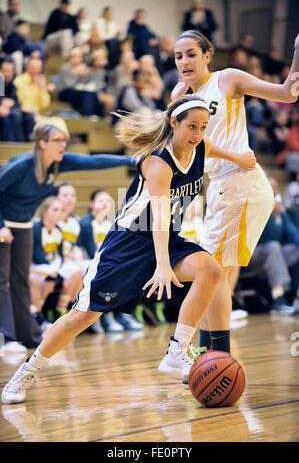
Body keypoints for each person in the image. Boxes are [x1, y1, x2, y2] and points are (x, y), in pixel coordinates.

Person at [1, 94, 257, 404]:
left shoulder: (199, 146)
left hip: (168, 239)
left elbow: (213, 149)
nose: (198, 134)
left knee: (211, 270)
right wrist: (162, 265)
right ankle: (28, 369)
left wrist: (240, 158)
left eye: (203, 127)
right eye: (192, 126)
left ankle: (177, 351)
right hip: (128, 243)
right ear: (174, 123)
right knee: (81, 317)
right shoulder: (158, 161)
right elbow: (160, 216)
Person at [170, 29, 298, 359]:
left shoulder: (227, 79)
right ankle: (216, 355)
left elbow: (288, 93)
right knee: (216, 274)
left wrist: (296, 50)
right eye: (178, 56)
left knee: (209, 272)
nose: (184, 61)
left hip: (240, 182)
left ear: (207, 55)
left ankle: (193, 353)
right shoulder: (182, 97)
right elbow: (185, 148)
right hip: (223, 186)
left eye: (191, 54)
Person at [0, 118, 135, 352]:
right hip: (3, 224)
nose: (63, 145)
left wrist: (134, 159)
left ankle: (27, 336)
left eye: (64, 140)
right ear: (42, 143)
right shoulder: (22, 165)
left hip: (22, 226)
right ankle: (7, 337)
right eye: (57, 140)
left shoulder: (59, 163)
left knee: (20, 282)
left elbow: (94, 161)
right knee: (3, 281)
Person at [78, 189, 143, 332]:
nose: (105, 204)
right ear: (91, 204)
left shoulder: (112, 223)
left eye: (108, 201)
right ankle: (105, 316)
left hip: (105, 261)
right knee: (110, 272)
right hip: (87, 261)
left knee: (132, 271)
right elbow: (90, 251)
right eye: (101, 200)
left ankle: (122, 313)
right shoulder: (86, 223)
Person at [245, 177, 299, 315]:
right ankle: (278, 300)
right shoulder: (254, 207)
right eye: (270, 186)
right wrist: (267, 211)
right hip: (250, 255)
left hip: (273, 255)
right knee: (273, 247)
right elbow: (262, 238)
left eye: (275, 187)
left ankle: (293, 295)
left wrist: (278, 212)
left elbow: (293, 234)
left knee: (294, 248)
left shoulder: (280, 212)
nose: (273, 189)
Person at [29, 196, 82, 333]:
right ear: (44, 211)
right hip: (35, 266)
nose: (59, 213)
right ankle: (39, 316)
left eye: (61, 210)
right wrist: (59, 275)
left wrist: (61, 272)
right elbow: (37, 257)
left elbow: (59, 256)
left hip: (50, 266)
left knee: (76, 271)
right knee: (51, 278)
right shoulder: (36, 227)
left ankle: (60, 311)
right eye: (55, 210)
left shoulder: (58, 229)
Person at [0, 58, 35, 141]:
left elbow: (16, 102)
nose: (8, 74)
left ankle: (30, 143)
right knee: (15, 115)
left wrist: (19, 106)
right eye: (5, 70)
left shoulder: (12, 85)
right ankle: (18, 145)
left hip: (10, 111)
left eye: (10, 71)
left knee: (29, 115)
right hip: (6, 113)